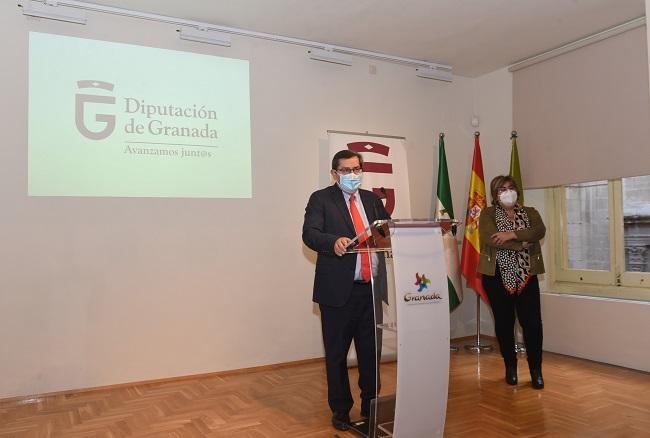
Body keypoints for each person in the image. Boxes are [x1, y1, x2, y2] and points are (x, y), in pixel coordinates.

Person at [302, 149, 390, 431]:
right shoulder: (321, 199)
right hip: (338, 293)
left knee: (370, 354)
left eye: (356, 169)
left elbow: (388, 231)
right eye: (346, 170)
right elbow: (310, 233)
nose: (353, 175)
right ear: (334, 173)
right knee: (337, 355)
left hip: (371, 290)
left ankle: (371, 406)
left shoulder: (372, 200)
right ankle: (341, 410)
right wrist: (333, 242)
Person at [478, 175, 546, 389]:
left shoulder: (531, 212)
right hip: (497, 277)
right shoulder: (487, 214)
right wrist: (521, 243)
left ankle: (536, 370)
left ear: (517, 190)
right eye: (501, 189)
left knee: (532, 324)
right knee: (505, 323)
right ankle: (510, 367)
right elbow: (491, 238)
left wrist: (510, 234)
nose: (507, 192)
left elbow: (539, 231)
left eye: (510, 188)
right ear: (494, 195)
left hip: (527, 275)